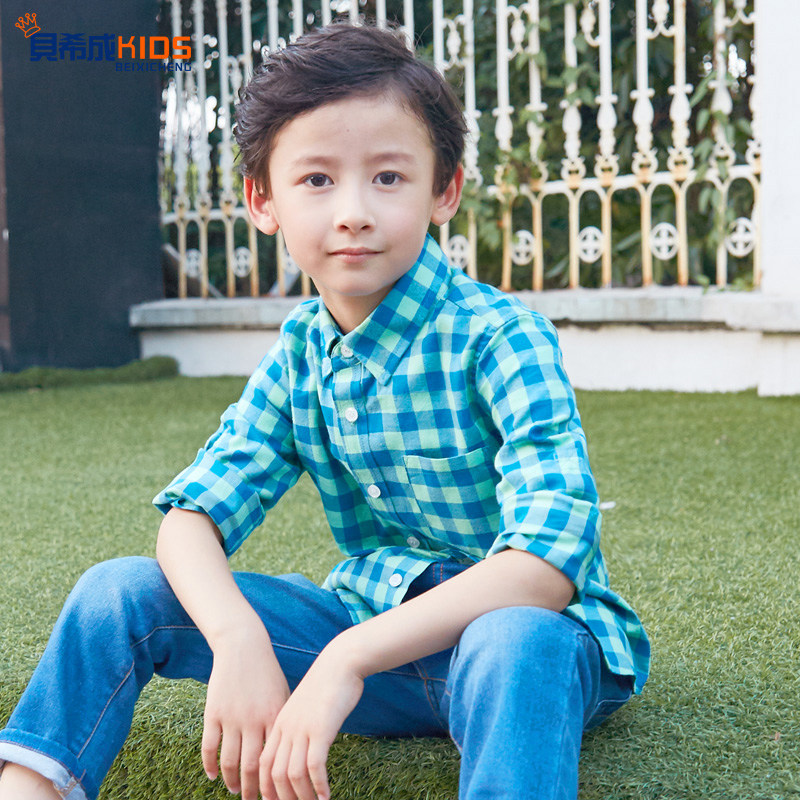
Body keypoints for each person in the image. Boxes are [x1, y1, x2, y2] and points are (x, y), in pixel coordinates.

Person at [0, 22, 650, 800]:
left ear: (444, 190)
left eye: (388, 177)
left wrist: (346, 658)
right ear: (262, 201)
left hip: (523, 653)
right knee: (119, 591)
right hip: (375, 642)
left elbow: (544, 569)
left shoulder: (501, 337)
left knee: (514, 638)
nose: (353, 212)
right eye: (316, 179)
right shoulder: (301, 353)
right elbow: (190, 519)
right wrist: (238, 637)